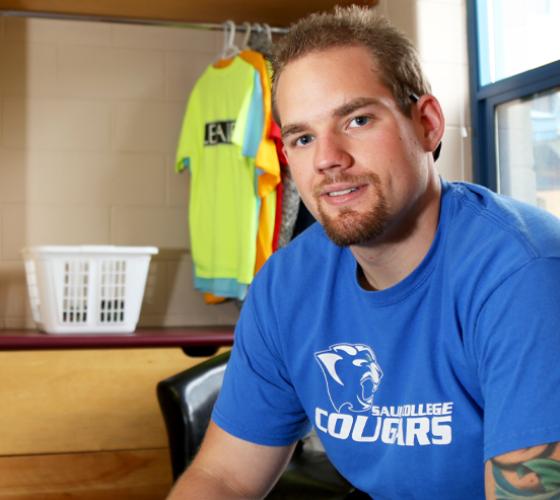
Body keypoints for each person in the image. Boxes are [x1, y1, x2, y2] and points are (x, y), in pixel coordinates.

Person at [168, 6, 560, 499]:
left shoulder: (524, 275)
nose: (329, 158)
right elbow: (223, 477)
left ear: (428, 124)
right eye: (303, 137)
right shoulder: (288, 282)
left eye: (356, 119)